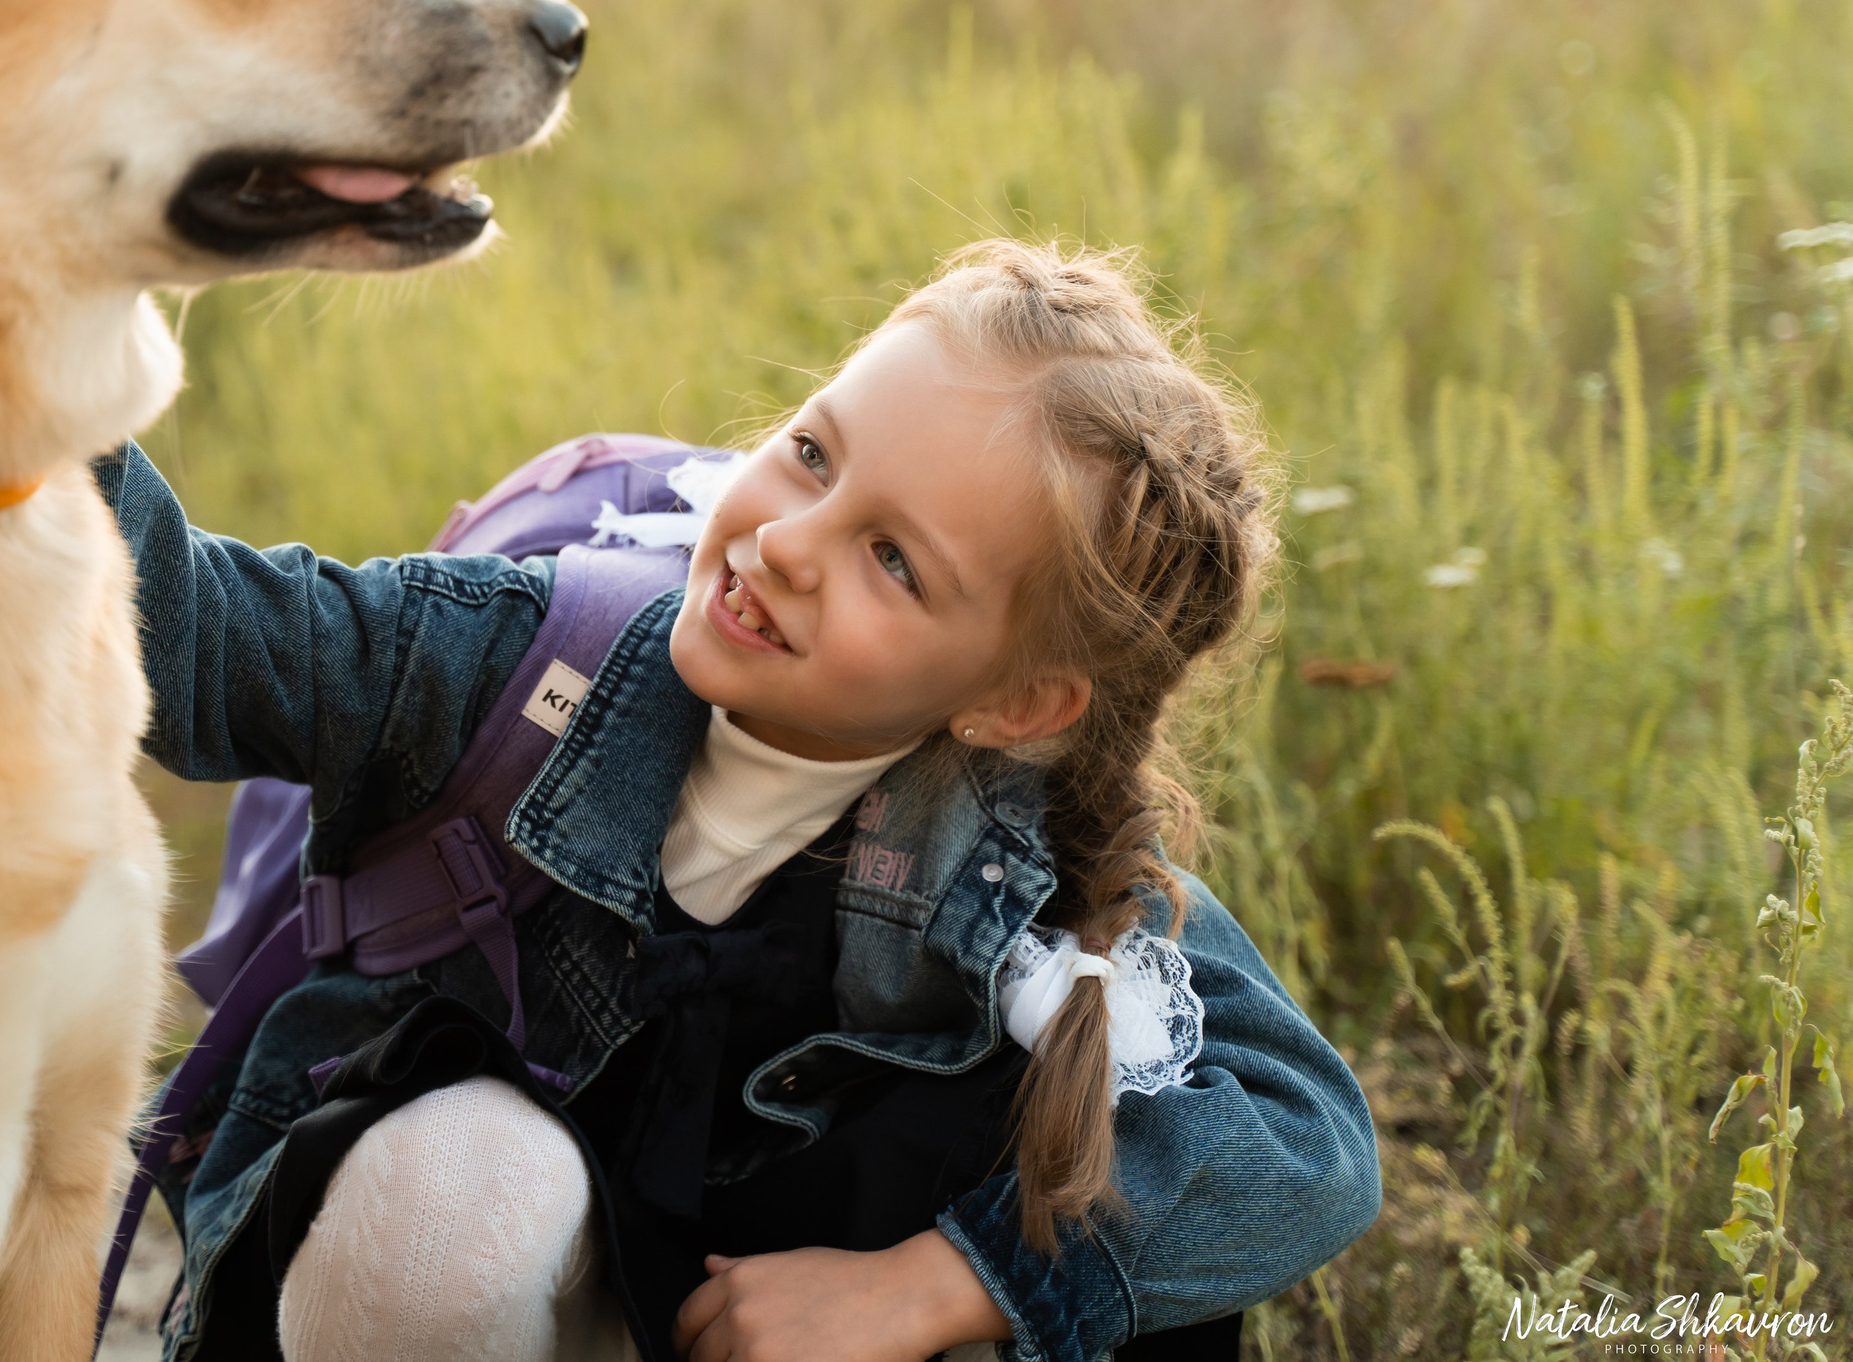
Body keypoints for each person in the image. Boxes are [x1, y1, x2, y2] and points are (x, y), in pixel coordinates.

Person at [96, 239, 1380, 1362]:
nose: (784, 544)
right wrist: (5, 352)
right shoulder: (514, 662)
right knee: (462, 1198)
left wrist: (935, 1289)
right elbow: (197, 636)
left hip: (749, 1314)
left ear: (1015, 706)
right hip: (421, 1296)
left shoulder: (1022, 865)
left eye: (892, 560)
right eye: (811, 454)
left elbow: (1308, 1138)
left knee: (1074, 1173)